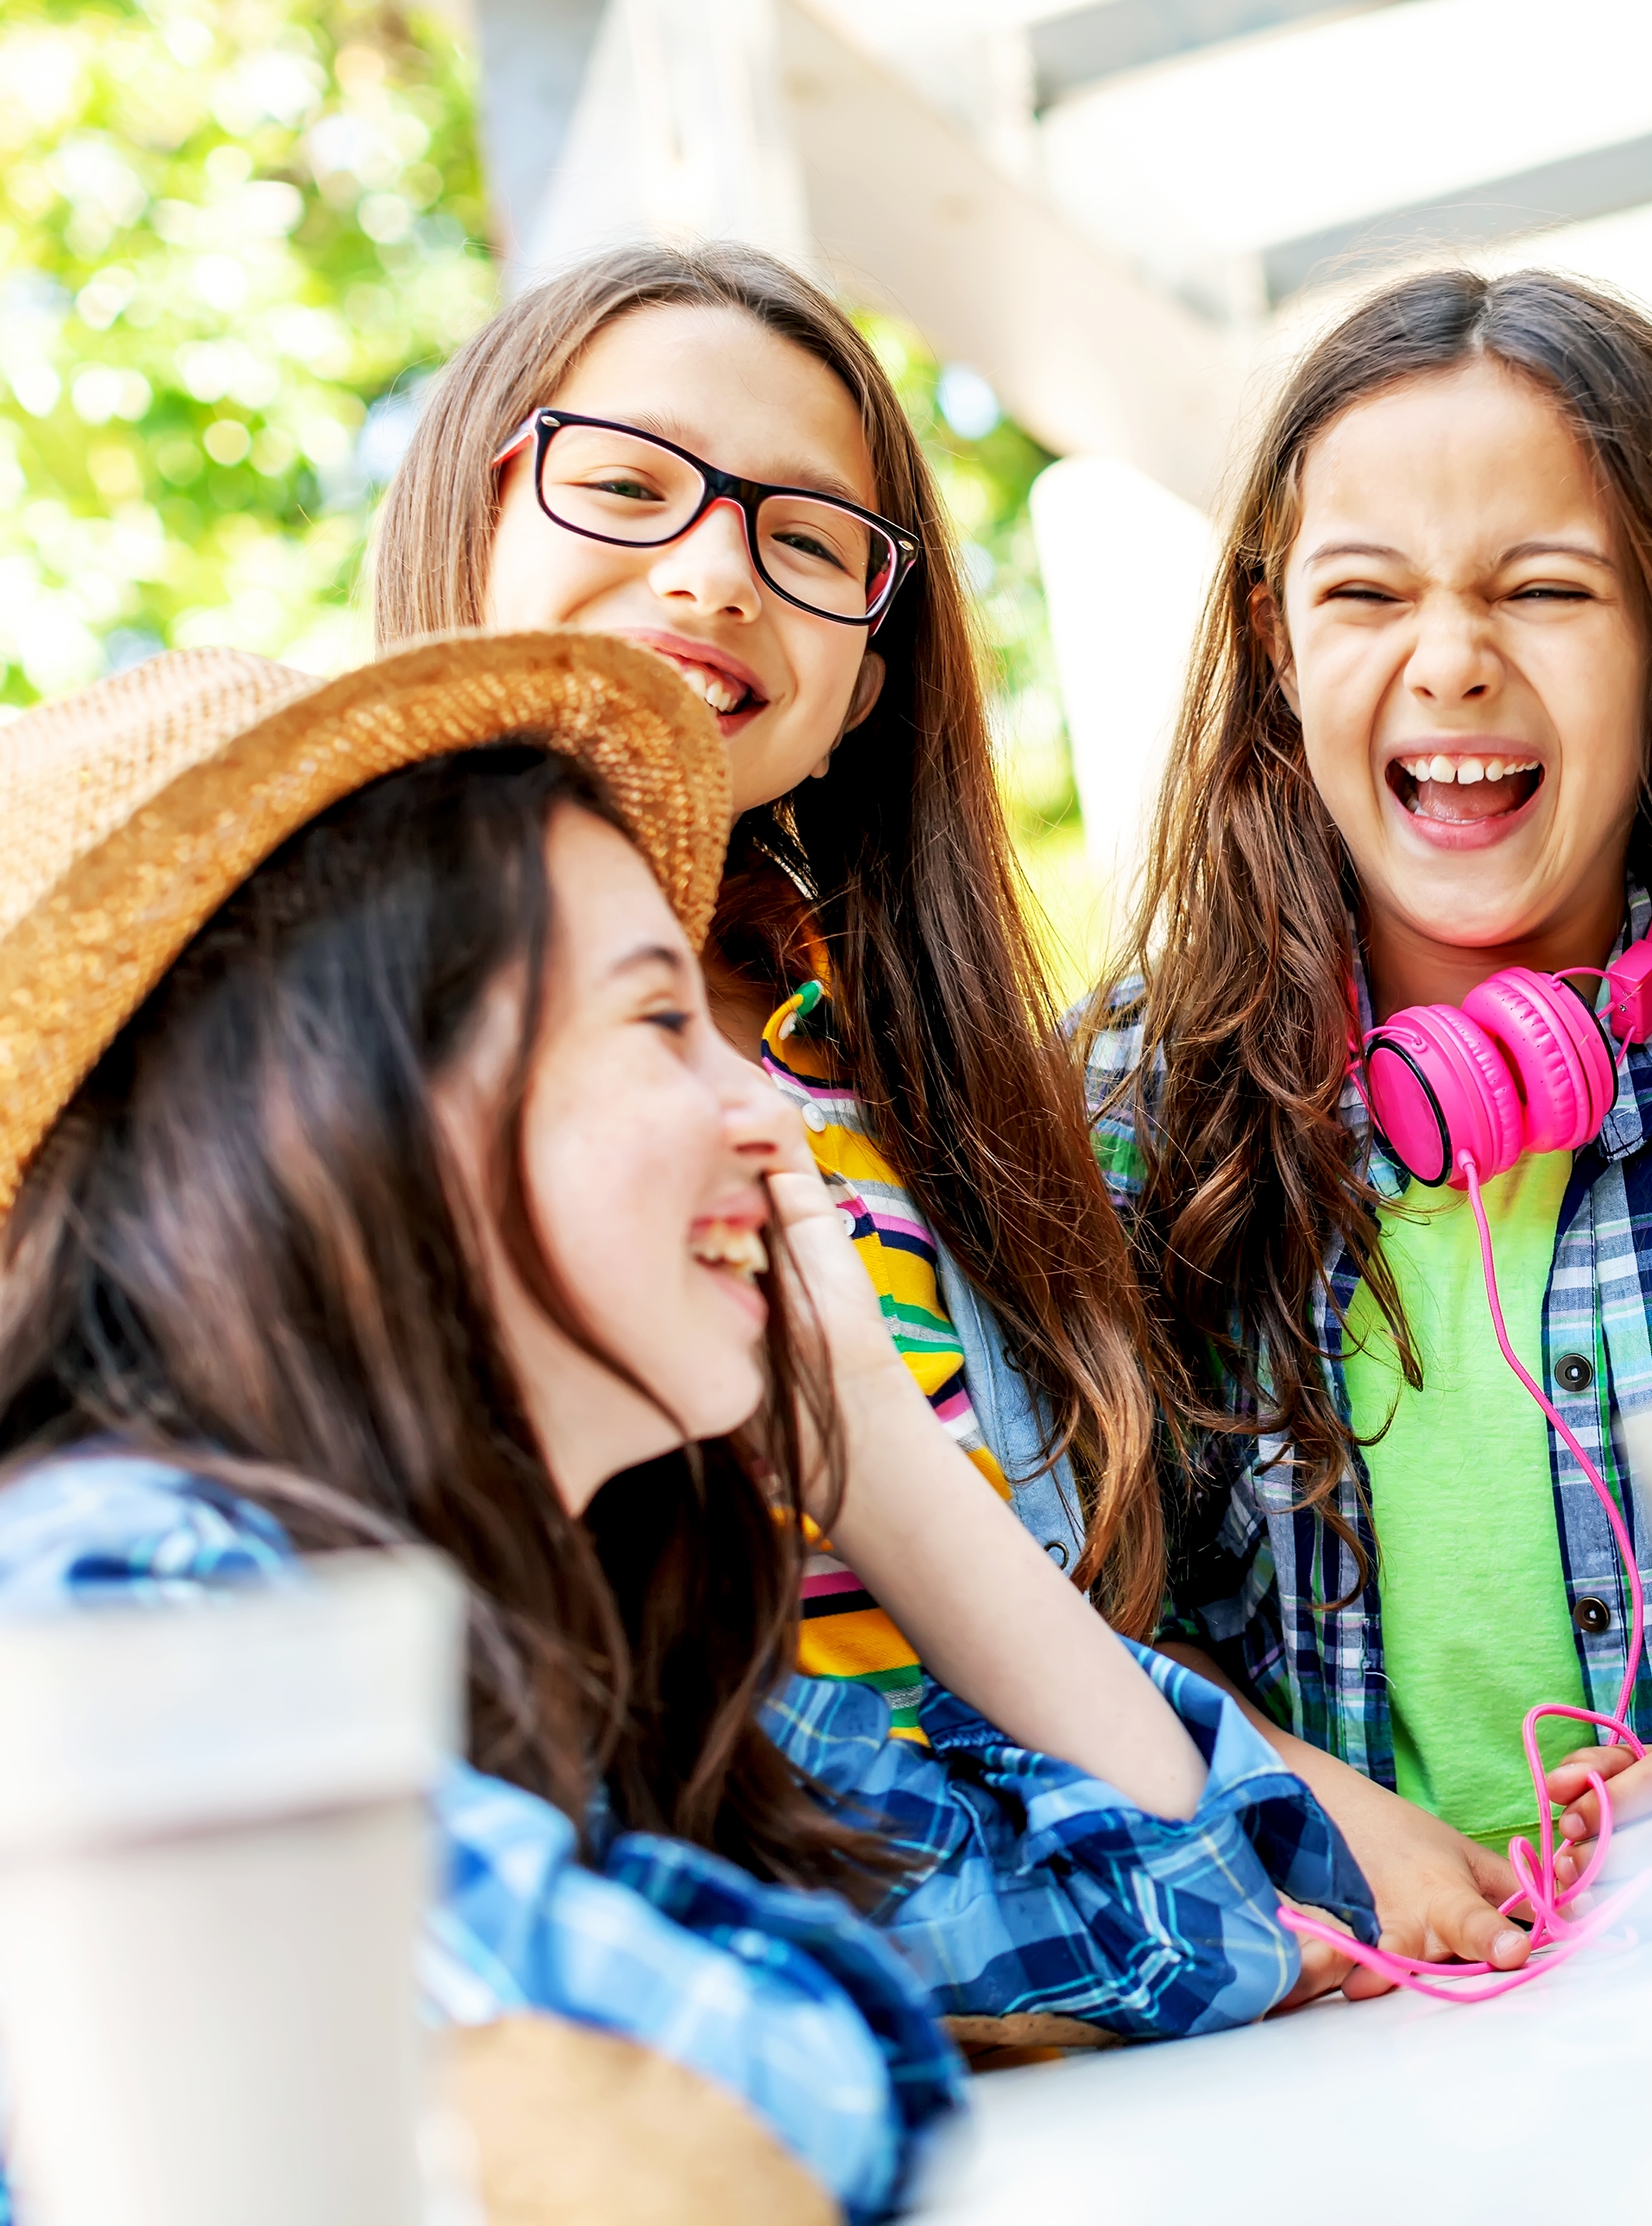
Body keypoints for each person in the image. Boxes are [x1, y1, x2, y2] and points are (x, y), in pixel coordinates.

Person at [0, 637, 1369, 2221]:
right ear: (341, 1103)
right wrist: (837, 1993)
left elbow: (1200, 1921)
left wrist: (864, 1432)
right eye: (660, 1022)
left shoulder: (556, 1657)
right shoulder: (101, 1601)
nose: (778, 1123)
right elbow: (688, 2129)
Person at [1090, 267, 1652, 1981]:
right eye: (1366, 594)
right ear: (1278, 652)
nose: (1451, 660)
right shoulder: (1126, 1135)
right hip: (1339, 2065)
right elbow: (1045, 1635)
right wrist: (1308, 1806)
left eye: (1547, 588)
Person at [370, 241, 1171, 1739]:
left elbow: (1094, 1629)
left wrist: (1296, 1816)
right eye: (622, 486)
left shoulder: (935, 1096)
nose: (715, 571)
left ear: (864, 688)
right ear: (471, 521)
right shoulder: (322, 1067)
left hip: (1104, 1917)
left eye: (808, 540)